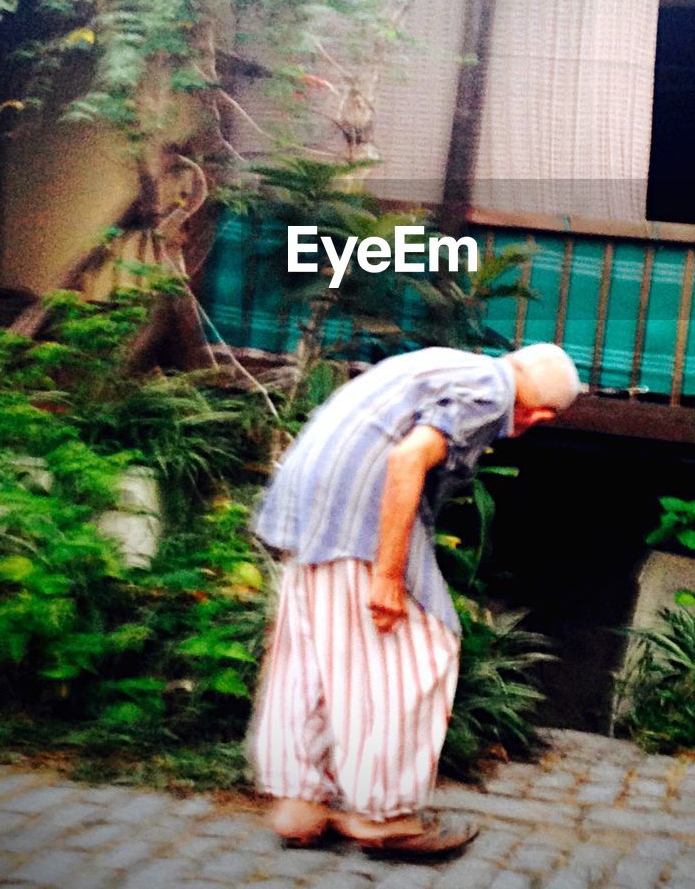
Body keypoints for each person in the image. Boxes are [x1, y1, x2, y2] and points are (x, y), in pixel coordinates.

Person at [248, 342, 581, 858]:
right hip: (357, 504)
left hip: (308, 491)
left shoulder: (451, 365)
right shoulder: (494, 392)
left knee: (312, 645)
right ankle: (381, 814)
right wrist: (387, 575)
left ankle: (300, 803)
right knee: (421, 649)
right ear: (539, 413)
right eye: (545, 417)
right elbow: (407, 459)